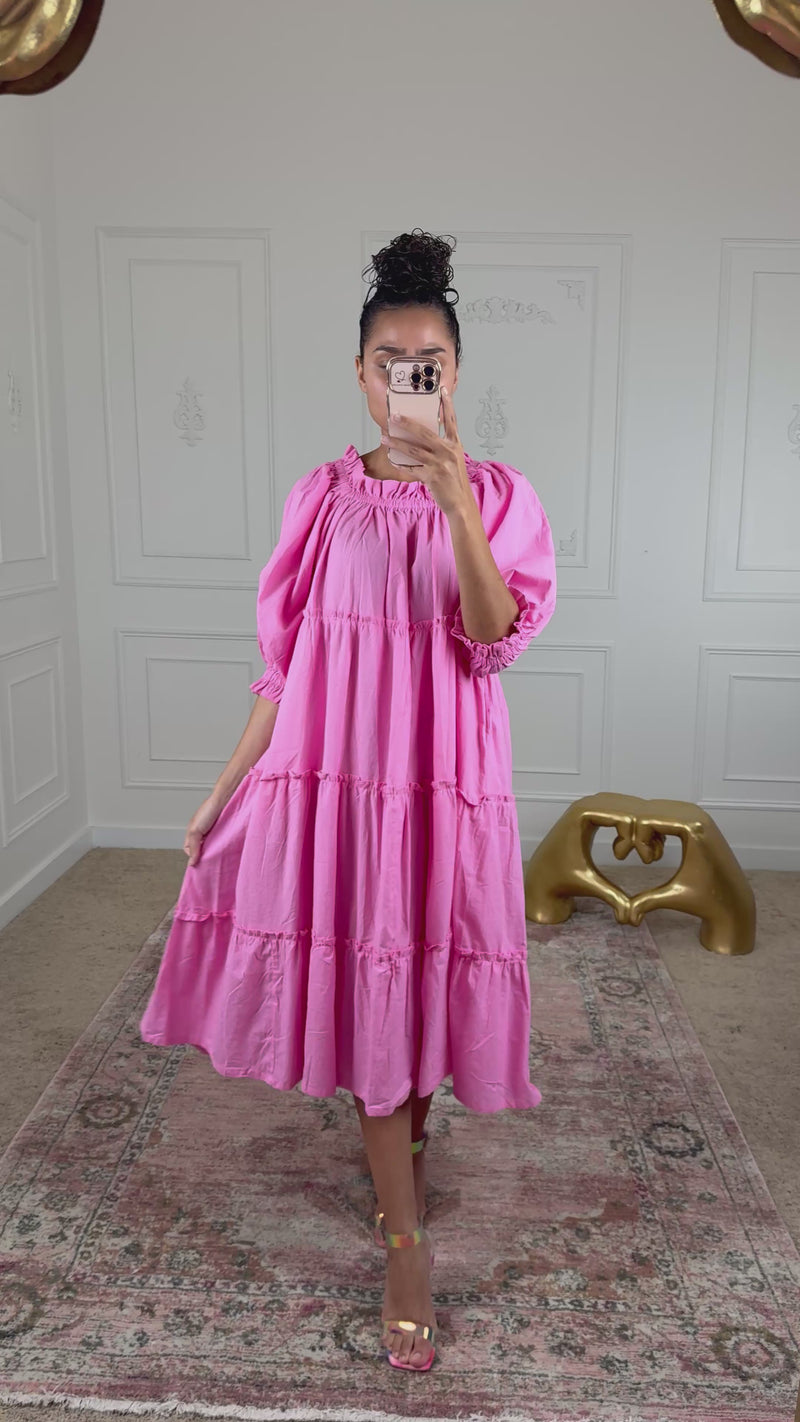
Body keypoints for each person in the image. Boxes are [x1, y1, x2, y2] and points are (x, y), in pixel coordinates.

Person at [139, 228, 558, 1372]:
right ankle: (405, 1245)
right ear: (359, 374)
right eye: (387, 362)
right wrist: (221, 790)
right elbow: (286, 673)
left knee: (425, 980)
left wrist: (455, 501)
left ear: (454, 376)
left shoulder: (501, 497)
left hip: (444, 789)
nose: (405, 380)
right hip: (341, 795)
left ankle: (405, 1150)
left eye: (428, 362)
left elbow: (489, 636)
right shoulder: (318, 502)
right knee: (375, 991)